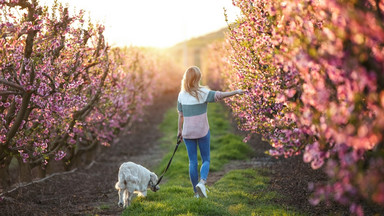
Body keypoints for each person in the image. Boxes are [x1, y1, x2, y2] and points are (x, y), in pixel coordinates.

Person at [177, 66, 244, 198]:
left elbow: (180, 115)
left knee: (192, 162)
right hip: (202, 131)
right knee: (206, 159)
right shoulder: (203, 92)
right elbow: (220, 95)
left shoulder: (181, 95)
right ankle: (202, 182)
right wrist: (236, 92)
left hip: (187, 133)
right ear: (198, 79)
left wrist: (179, 131)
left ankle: (196, 193)